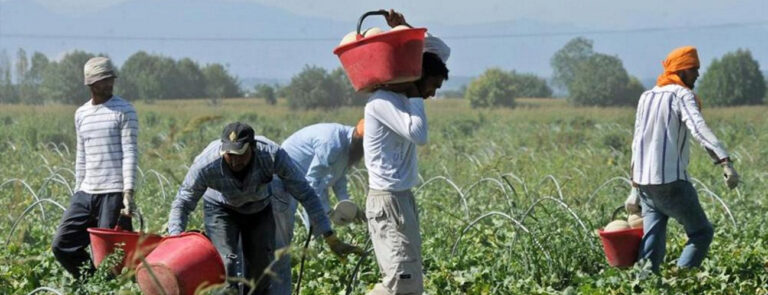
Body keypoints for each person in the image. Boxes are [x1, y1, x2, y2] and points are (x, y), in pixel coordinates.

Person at [167, 122, 361, 294]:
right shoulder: (207, 164)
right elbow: (182, 202)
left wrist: (329, 235)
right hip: (221, 210)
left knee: (260, 275)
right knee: (227, 267)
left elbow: (306, 193)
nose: (234, 160)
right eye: (229, 155)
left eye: (240, 154)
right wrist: (175, 241)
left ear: (252, 147)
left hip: (258, 210)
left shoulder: (271, 154)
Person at [625, 46, 740, 273]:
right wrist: (725, 162)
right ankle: (681, 281)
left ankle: (645, 285)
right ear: (681, 70)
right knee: (701, 232)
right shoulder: (681, 95)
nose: (697, 74)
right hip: (671, 182)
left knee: (652, 241)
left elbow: (638, 141)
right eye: (693, 69)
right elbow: (698, 128)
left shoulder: (646, 97)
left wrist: (634, 187)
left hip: (647, 184)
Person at [363, 10, 450, 295]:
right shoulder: (382, 102)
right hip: (388, 200)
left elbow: (440, 51)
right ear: (417, 76)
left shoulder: (399, 99)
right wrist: (414, 93)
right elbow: (418, 134)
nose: (432, 94)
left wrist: (405, 28)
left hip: (401, 198)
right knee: (402, 280)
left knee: (407, 280)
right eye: (432, 86)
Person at [52, 56, 138, 279]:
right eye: (102, 80)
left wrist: (128, 193)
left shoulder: (124, 110)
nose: (108, 84)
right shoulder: (81, 114)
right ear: (90, 83)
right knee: (62, 244)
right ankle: (93, 285)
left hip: (113, 192)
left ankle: (108, 286)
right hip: (86, 191)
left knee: (109, 258)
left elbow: (130, 152)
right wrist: (77, 190)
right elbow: (81, 155)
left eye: (110, 79)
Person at [269, 120, 366, 295]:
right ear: (361, 140)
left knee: (317, 224)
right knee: (283, 234)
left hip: (306, 179)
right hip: (284, 178)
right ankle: (282, 280)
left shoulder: (348, 148)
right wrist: (327, 212)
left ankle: (315, 256)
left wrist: (348, 206)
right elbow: (312, 184)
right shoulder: (333, 143)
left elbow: (339, 179)